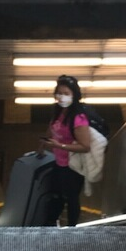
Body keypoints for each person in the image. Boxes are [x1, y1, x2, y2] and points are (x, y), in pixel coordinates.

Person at [38, 74, 91, 228]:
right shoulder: (57, 113)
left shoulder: (79, 118)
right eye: (59, 93)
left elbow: (85, 146)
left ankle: (72, 229)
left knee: (71, 198)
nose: (62, 97)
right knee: (55, 196)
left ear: (74, 96)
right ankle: (49, 226)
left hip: (73, 166)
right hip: (58, 163)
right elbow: (51, 131)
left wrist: (60, 146)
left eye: (66, 94)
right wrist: (42, 146)